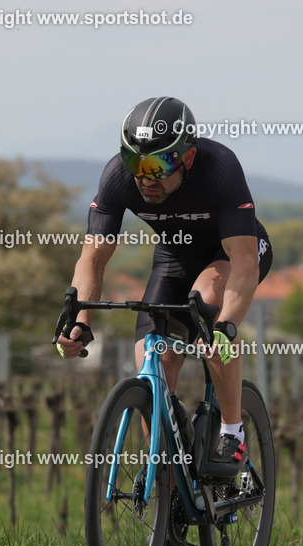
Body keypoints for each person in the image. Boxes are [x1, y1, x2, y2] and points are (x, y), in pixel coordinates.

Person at [56, 96, 273, 480]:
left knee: (207, 308)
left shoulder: (219, 169)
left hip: (233, 253)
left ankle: (231, 430)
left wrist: (227, 324)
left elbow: (244, 263)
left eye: (156, 166)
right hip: (174, 257)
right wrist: (80, 319)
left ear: (187, 158)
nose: (144, 178)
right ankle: (166, 476)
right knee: (152, 360)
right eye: (134, 163)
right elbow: (93, 258)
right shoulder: (118, 178)